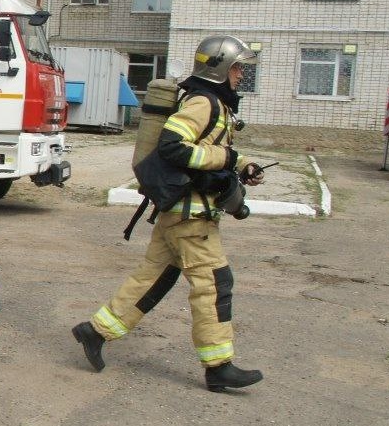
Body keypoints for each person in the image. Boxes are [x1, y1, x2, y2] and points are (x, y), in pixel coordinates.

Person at [72, 34, 267, 392]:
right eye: (238, 67)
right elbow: (174, 146)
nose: (241, 74)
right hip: (191, 219)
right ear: (221, 68)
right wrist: (227, 159)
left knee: (154, 277)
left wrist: (243, 164)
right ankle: (218, 366)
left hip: (179, 214)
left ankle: (95, 331)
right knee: (213, 284)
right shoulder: (203, 102)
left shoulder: (213, 103)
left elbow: (210, 150)